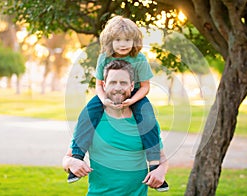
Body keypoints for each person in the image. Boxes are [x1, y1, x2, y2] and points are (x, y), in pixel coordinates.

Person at [68, 15, 169, 191]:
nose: (123, 44)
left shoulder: (140, 59)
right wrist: (103, 100)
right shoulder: (104, 57)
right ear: (109, 41)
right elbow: (99, 85)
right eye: (118, 40)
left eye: (128, 40)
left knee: (148, 119)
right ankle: (77, 157)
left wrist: (132, 100)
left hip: (135, 94)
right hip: (105, 95)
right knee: (88, 114)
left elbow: (145, 87)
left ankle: (154, 166)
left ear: (135, 41)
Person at [63, 60, 168, 195]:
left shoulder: (145, 122)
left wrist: (160, 170)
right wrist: (71, 163)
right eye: (113, 82)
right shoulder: (90, 121)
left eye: (123, 83)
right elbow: (67, 159)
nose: (118, 87)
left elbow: (162, 159)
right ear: (104, 85)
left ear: (131, 86)